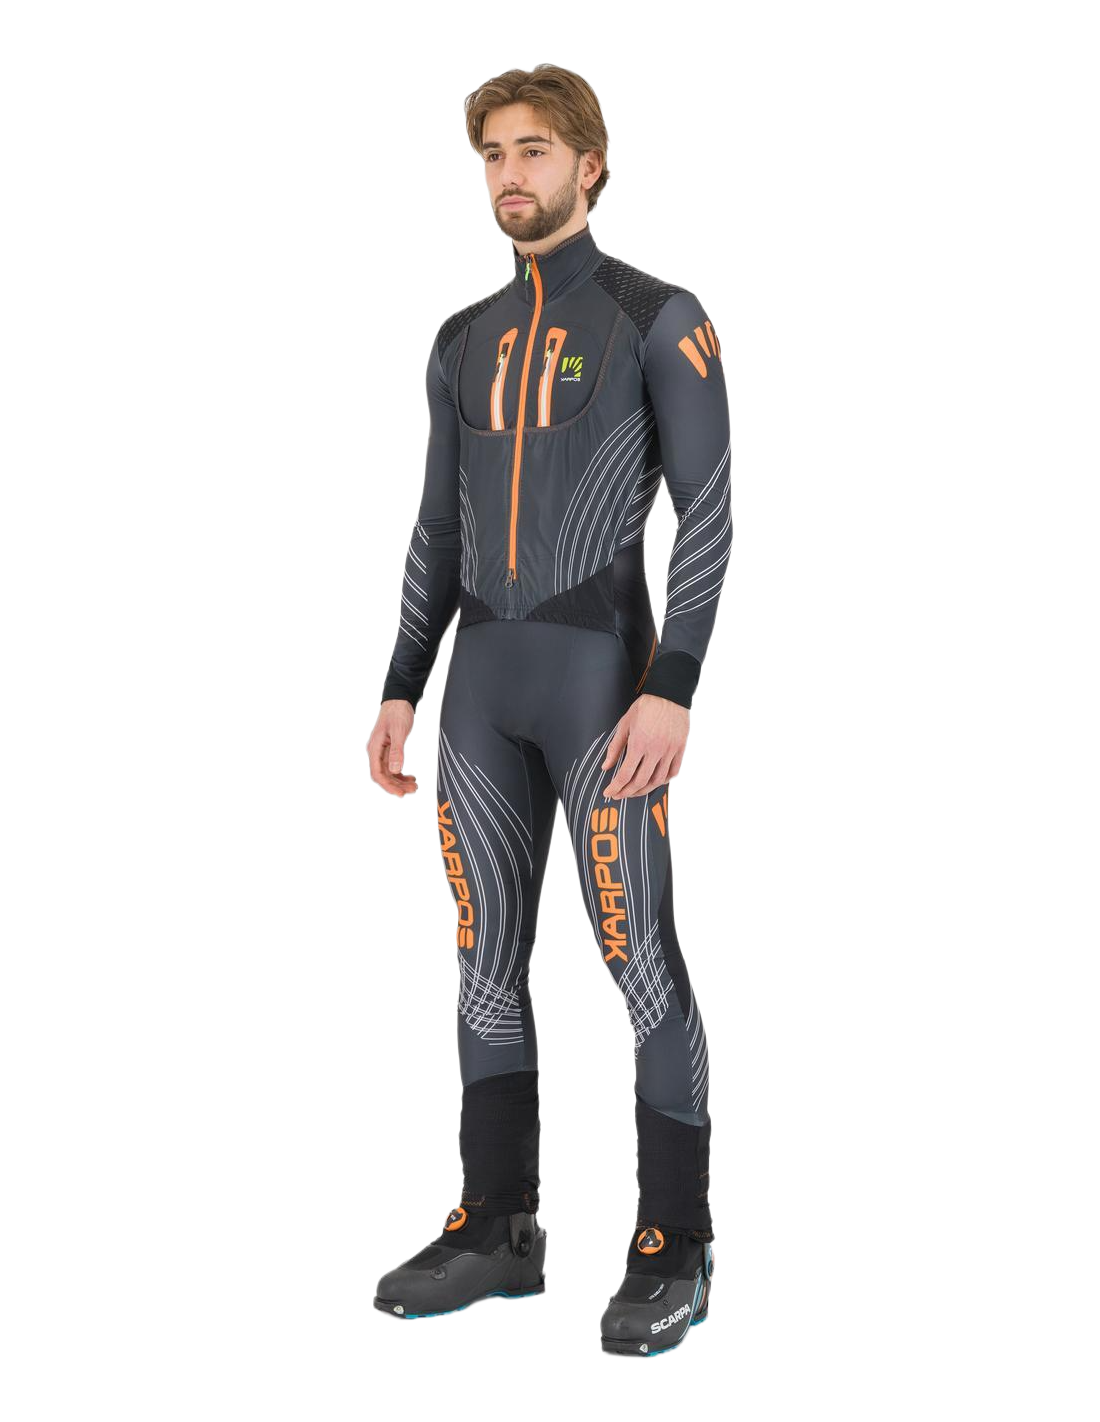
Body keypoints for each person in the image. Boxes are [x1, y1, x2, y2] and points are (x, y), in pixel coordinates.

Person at [368, 63, 730, 1356]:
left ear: (590, 164)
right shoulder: (459, 340)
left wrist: (671, 686)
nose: (510, 174)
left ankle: (675, 1239)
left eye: (534, 150)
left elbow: (710, 515)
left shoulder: (657, 318)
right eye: (493, 154)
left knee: (639, 956)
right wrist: (402, 682)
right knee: (484, 955)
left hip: (602, 688)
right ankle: (498, 1226)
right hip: (480, 692)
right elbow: (436, 525)